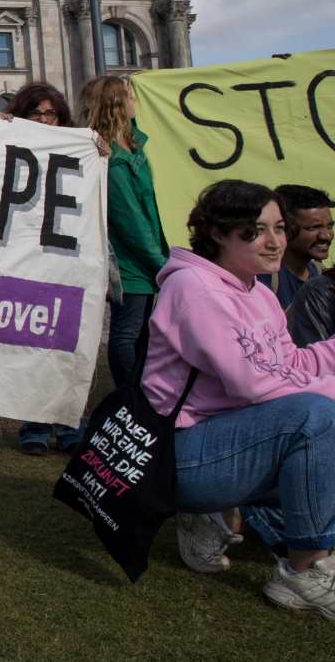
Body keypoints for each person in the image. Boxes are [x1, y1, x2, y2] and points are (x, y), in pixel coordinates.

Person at [142, 180, 335, 617]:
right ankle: (303, 573)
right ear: (217, 233)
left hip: (220, 443)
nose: (274, 242)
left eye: (280, 228)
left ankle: (208, 516)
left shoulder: (258, 292)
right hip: (175, 456)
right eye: (256, 230)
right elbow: (254, 385)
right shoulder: (194, 288)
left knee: (318, 417)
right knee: (317, 418)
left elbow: (293, 366)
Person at [1, 82, 114, 454]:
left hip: (68, 260)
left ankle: (71, 423)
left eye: (51, 113)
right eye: (37, 113)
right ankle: (33, 426)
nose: (46, 120)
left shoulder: (78, 148)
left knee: (69, 345)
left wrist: (101, 155)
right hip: (28, 258)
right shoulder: (8, 141)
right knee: (33, 346)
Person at [80, 75, 166, 390]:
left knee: (142, 332)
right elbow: (129, 220)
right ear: (116, 104)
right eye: (130, 96)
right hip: (131, 262)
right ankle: (131, 399)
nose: (135, 102)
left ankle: (139, 395)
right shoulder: (113, 161)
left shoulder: (133, 145)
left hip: (147, 256)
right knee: (127, 333)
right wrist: (160, 263)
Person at [262, 185, 332, 309]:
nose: (326, 235)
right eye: (313, 227)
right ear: (283, 228)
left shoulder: (321, 274)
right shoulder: (263, 277)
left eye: (330, 226)